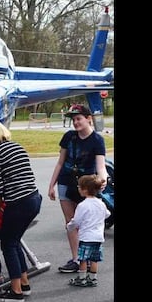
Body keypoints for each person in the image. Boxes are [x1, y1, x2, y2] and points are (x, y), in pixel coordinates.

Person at [0, 117, 41, 302]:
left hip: (18, 202)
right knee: (15, 241)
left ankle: (16, 291)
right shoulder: (16, 146)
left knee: (8, 244)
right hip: (33, 198)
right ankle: (24, 283)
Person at [46, 103, 108, 274]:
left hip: (86, 185)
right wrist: (52, 185)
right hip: (66, 181)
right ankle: (76, 259)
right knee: (71, 222)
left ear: (88, 119)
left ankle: (87, 258)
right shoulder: (69, 137)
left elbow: (100, 166)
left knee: (86, 224)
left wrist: (103, 180)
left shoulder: (97, 140)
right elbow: (60, 162)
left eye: (79, 118)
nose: (76, 122)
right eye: (73, 120)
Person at [66, 174, 110, 287]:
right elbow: (107, 214)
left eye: (79, 187)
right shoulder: (101, 203)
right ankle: (93, 278)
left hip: (86, 236)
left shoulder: (83, 205)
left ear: (85, 190)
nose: (78, 189)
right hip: (98, 237)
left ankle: (82, 278)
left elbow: (76, 221)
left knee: (83, 259)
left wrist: (69, 227)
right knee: (94, 259)